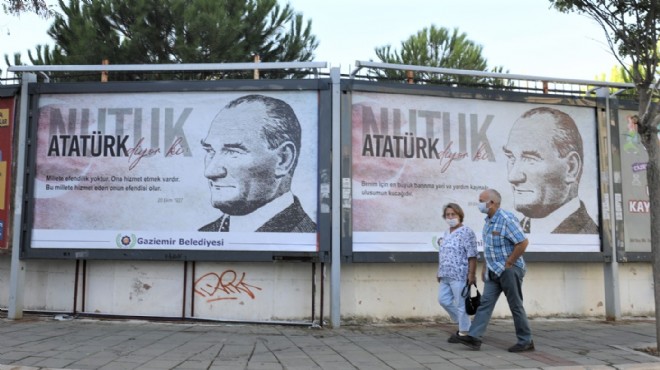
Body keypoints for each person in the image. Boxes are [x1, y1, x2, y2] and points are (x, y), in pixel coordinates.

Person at [198, 94, 316, 233]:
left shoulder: (305, 238)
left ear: (284, 160)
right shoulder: (204, 234)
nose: (210, 172)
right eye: (210, 150)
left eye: (232, 152)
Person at [452, 188, 534, 352]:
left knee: (515, 305)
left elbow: (523, 243)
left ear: (492, 203)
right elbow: (489, 249)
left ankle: (526, 341)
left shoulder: (506, 219)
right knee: (484, 304)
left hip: (509, 270)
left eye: (481, 200)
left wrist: (509, 263)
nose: (479, 203)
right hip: (493, 271)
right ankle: (474, 338)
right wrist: (485, 268)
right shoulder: (488, 221)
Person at [503, 106, 598, 234]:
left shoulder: (587, 235)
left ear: (571, 168)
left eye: (530, 159)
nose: (513, 177)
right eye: (511, 158)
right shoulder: (514, 233)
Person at [437, 203, 478, 343]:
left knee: (461, 304)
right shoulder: (446, 232)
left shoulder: (467, 232)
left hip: (460, 274)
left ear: (460, 215)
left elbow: (472, 255)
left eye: (453, 214)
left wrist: (471, 274)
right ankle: (464, 323)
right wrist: (439, 271)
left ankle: (464, 332)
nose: (450, 217)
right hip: (445, 274)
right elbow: (443, 253)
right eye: (447, 215)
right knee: (443, 300)